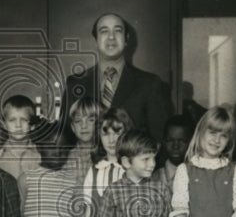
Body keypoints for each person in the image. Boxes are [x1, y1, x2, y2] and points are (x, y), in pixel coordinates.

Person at [64, 13, 172, 143]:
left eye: (118, 31)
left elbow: (159, 138)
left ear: (126, 39)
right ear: (95, 41)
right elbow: (65, 136)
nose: (111, 37)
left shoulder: (150, 83)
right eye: (104, 31)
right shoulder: (75, 83)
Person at [0, 94, 42, 179]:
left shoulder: (39, 153)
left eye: (24, 120)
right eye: (12, 120)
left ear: (32, 125)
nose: (18, 125)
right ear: (4, 124)